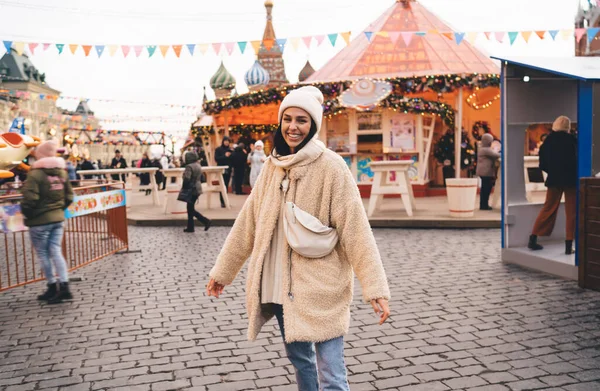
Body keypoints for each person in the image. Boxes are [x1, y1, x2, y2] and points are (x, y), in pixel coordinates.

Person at [206, 86, 391, 390]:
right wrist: (223, 272)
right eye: (288, 119)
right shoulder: (271, 166)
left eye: (302, 120)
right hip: (280, 287)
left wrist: (375, 288)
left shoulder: (331, 167)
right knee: (300, 361)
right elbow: (247, 224)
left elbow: (355, 229)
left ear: (313, 125)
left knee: (331, 371)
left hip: (320, 286)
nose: (293, 127)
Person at [21, 140, 74, 304]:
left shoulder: (35, 174)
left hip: (39, 221)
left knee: (43, 254)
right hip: (58, 219)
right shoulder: (62, 173)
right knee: (56, 251)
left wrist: (27, 214)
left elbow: (30, 199)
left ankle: (52, 286)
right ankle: (64, 286)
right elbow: (69, 196)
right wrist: (58, 209)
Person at [528, 115, 577, 254]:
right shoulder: (573, 140)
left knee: (548, 208)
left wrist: (553, 171)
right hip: (571, 180)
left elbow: (543, 164)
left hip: (554, 179)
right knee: (571, 212)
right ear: (567, 128)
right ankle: (568, 245)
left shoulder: (548, 142)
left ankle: (533, 238)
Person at [179, 151, 211, 233]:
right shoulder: (198, 165)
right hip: (197, 188)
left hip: (191, 189)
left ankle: (205, 221)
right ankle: (191, 227)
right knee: (190, 208)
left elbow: (187, 178)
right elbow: (202, 178)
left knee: (190, 209)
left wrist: (184, 186)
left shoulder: (189, 167)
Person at [476, 133, 500, 210]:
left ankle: (483, 204)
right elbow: (496, 155)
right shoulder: (486, 150)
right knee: (486, 189)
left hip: (484, 172)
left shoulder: (483, 149)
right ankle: (484, 205)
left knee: (485, 188)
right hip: (485, 172)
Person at [215, 137, 233, 207]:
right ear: (223, 141)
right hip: (221, 170)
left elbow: (232, 159)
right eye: (225, 141)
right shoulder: (218, 149)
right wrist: (225, 156)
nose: (226, 142)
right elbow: (216, 159)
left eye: (228, 141)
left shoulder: (230, 150)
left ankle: (226, 201)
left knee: (226, 185)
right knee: (222, 185)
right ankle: (222, 202)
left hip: (228, 169)